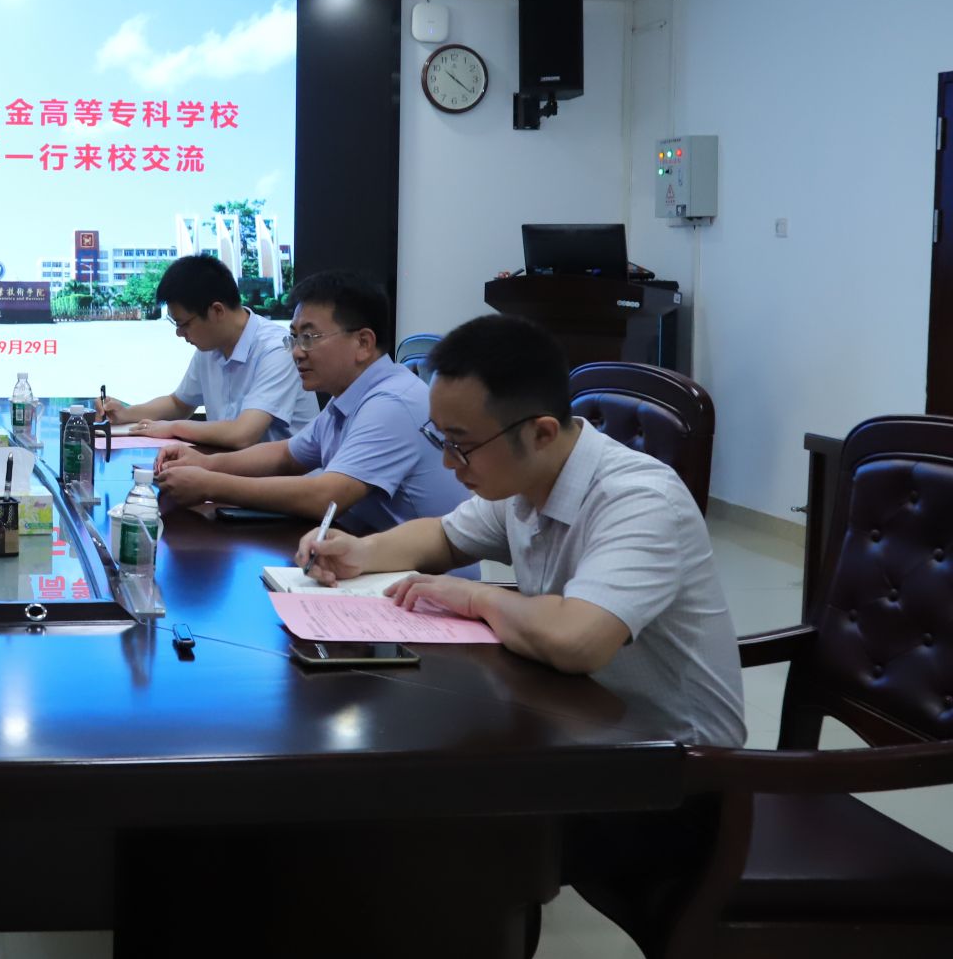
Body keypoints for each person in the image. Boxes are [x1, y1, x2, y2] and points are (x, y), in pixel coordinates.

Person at [295, 311, 745, 748]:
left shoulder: (640, 499)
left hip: (677, 761)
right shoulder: (524, 477)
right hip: (570, 716)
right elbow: (444, 537)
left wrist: (477, 598)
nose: (448, 462)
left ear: (541, 434)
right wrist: (359, 551)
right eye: (442, 440)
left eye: (462, 445)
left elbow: (577, 640)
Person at [152, 270, 458, 531]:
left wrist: (210, 484)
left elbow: (325, 497)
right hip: (367, 551)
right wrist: (206, 463)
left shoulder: (391, 403)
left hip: (422, 575)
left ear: (363, 343)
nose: (297, 352)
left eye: (309, 338)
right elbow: (286, 455)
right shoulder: (349, 398)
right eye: (295, 338)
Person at [93, 254, 315, 447]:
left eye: (184, 324)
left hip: (286, 479)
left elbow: (243, 435)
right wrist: (125, 413)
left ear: (216, 311)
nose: (179, 333)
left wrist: (173, 428)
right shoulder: (209, 347)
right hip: (232, 470)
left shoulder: (277, 349)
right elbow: (179, 404)